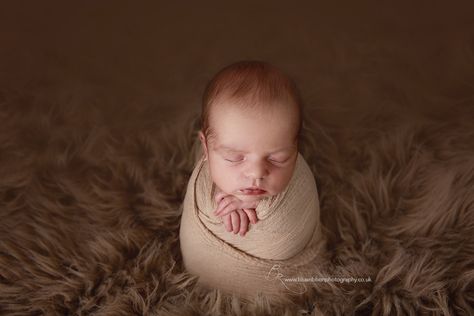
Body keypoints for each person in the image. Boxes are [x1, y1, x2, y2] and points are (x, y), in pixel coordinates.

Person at [198, 60, 303, 236]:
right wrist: (221, 194)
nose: (256, 173)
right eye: (235, 158)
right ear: (206, 149)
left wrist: (260, 204)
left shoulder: (300, 180)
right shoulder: (200, 185)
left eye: (277, 158)